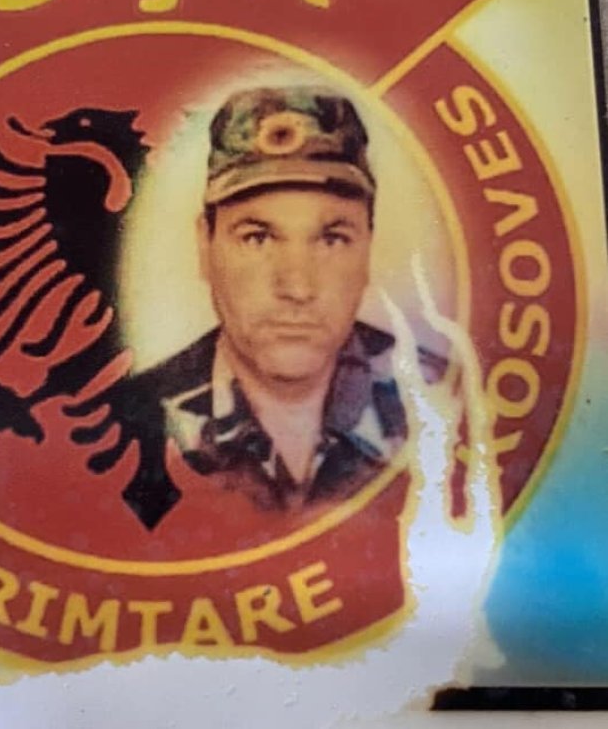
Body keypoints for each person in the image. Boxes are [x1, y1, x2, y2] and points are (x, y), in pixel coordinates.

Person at [120, 86, 441, 514]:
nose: (297, 288)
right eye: (258, 238)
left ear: (368, 248)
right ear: (205, 247)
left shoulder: (450, 406)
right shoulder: (123, 427)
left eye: (332, 239)